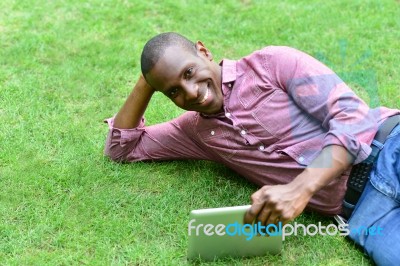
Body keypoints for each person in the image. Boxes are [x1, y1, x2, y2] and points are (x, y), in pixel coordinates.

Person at [104, 32, 400, 265]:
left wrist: (300, 189)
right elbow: (121, 148)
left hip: (389, 148)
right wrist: (148, 80)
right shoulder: (195, 131)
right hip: (364, 213)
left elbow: (354, 118)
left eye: (189, 72)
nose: (191, 92)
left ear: (204, 51)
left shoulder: (271, 64)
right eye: (173, 91)